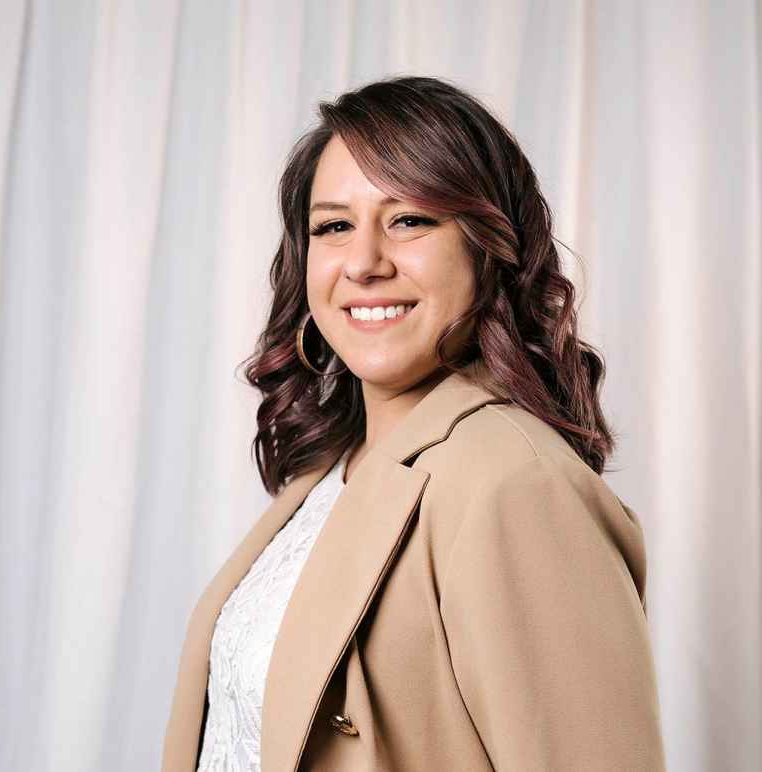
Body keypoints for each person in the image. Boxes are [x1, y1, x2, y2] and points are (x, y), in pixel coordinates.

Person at [162, 75, 666, 771]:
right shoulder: (330, 470)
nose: (365, 263)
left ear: (488, 245)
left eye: (410, 220)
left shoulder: (515, 483)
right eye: (334, 226)